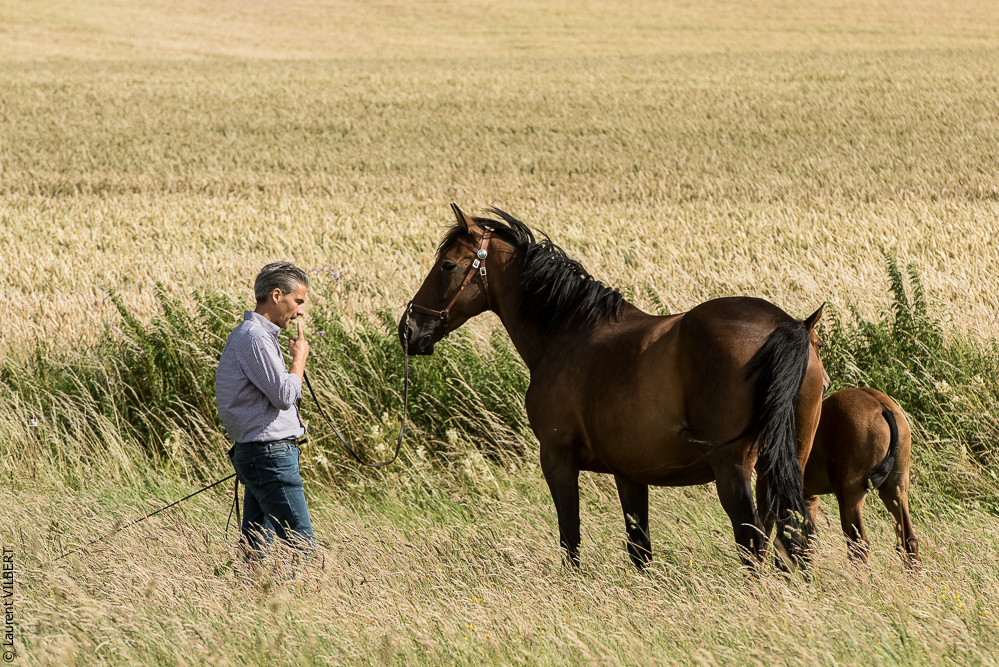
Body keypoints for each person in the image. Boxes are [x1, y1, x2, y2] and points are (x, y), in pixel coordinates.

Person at [215, 261, 315, 561]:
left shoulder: (251, 336)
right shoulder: (255, 338)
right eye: (297, 301)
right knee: (303, 547)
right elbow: (284, 395)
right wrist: (299, 360)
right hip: (269, 456)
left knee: (255, 548)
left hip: (261, 455)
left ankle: (249, 600)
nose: (300, 311)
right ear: (276, 295)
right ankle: (301, 604)